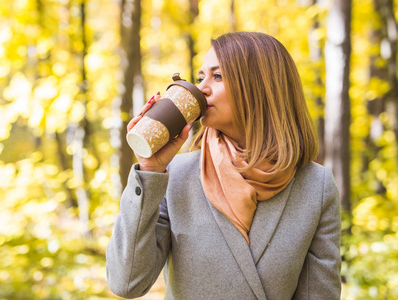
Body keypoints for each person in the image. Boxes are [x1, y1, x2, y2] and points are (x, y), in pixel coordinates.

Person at [106, 31, 341, 300]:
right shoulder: (175, 175)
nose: (202, 89)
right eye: (200, 77)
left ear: (261, 86)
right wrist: (149, 170)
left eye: (217, 76)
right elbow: (126, 283)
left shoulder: (315, 185)